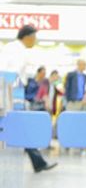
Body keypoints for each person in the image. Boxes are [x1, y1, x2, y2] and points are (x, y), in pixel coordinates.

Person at [0, 25, 57, 173]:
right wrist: (14, 100)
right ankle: (38, 162)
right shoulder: (18, 51)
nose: (35, 41)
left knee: (21, 129)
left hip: (10, 96)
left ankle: (38, 162)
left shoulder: (10, 48)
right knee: (20, 128)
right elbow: (12, 76)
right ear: (28, 36)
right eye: (34, 37)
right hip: (11, 97)